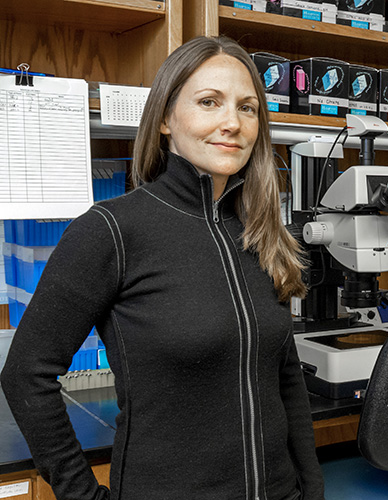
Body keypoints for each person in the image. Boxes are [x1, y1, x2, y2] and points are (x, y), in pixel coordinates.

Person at [0, 36, 325, 500]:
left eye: (247, 108)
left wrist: (311, 490)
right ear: (167, 120)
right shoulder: (111, 230)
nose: (232, 123)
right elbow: (25, 373)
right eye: (209, 102)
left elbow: (285, 376)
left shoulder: (258, 230)